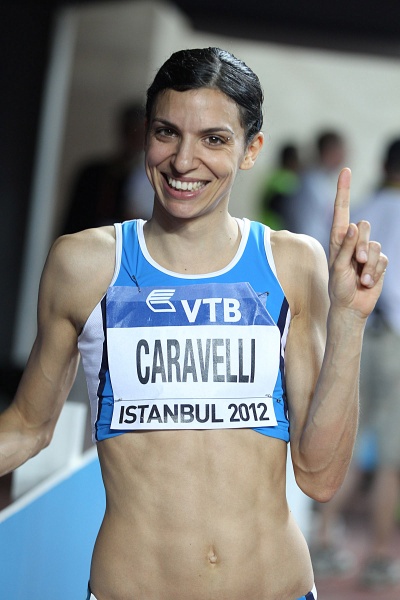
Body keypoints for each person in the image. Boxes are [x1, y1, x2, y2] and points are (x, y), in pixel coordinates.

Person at [0, 47, 387, 600]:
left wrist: (349, 319)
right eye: (167, 132)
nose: (184, 161)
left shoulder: (291, 264)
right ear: (145, 135)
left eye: (214, 139)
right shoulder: (85, 265)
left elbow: (319, 476)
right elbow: (26, 427)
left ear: (251, 149)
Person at [311, 138, 400, 588]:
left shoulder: (362, 209)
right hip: (396, 343)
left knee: (347, 442)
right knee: (389, 458)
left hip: (358, 331)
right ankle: (381, 556)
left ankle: (324, 538)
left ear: (384, 164)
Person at [62, 101, 154, 234]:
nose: (135, 140)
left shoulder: (150, 179)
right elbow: (73, 222)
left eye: (140, 134)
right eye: (131, 132)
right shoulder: (92, 175)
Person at [285, 131, 346, 255]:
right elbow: (308, 224)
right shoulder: (312, 182)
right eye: (340, 151)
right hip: (308, 251)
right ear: (329, 152)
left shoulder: (320, 180)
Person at [259, 143, 300, 230]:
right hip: (279, 227)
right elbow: (286, 208)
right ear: (291, 160)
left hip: (267, 224)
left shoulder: (274, 177)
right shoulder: (289, 179)